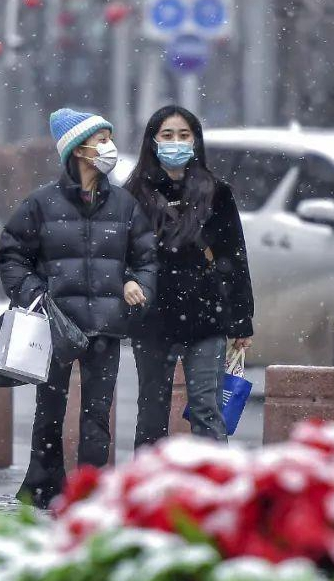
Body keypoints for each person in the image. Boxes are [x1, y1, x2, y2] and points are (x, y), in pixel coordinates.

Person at [0, 108, 157, 509]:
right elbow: (11, 253)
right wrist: (34, 294)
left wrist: (138, 284)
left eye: (109, 138)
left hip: (105, 327)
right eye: (101, 139)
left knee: (97, 416)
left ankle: (90, 493)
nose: (109, 147)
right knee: (48, 412)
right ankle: (43, 489)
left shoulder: (125, 205)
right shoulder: (41, 204)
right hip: (56, 327)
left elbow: (147, 258)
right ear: (79, 150)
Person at [124, 105, 255, 448]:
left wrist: (242, 322)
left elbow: (235, 256)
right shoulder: (133, 193)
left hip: (205, 313)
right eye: (167, 135)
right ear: (152, 142)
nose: (176, 143)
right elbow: (120, 254)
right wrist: (127, 282)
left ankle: (212, 487)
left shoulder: (217, 192)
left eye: (184, 135)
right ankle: (148, 491)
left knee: (205, 407)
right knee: (151, 411)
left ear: (196, 142)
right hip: (152, 314)